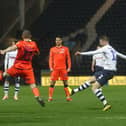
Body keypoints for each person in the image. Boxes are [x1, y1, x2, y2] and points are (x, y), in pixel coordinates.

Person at [69, 35, 126, 111]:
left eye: (100, 41)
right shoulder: (112, 49)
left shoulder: (105, 48)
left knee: (94, 88)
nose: (100, 43)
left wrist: (81, 53)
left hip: (107, 72)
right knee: (91, 80)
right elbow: (121, 55)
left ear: (103, 41)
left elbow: (93, 52)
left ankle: (106, 104)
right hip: (108, 71)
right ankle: (73, 91)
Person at [0, 30, 45, 107]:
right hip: (28, 68)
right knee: (33, 85)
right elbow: (38, 53)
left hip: (18, 66)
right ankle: (37, 96)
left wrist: (4, 51)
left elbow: (13, 47)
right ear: (30, 36)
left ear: (22, 36)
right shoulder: (33, 44)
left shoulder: (20, 43)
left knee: (5, 74)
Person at [48, 36, 72, 102]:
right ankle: (50, 97)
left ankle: (68, 97)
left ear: (61, 41)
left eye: (58, 40)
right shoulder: (52, 49)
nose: (57, 41)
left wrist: (69, 67)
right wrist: (50, 67)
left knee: (65, 83)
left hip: (63, 69)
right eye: (56, 40)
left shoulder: (65, 49)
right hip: (55, 69)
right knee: (52, 83)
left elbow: (68, 59)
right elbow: (50, 59)